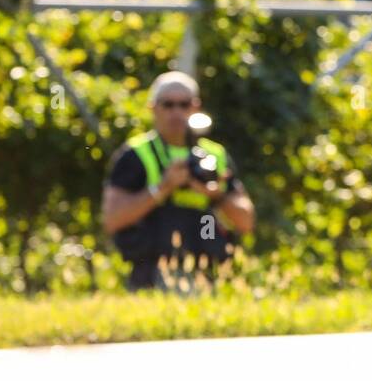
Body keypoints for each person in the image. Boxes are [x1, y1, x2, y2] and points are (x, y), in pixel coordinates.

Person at [101, 71, 256, 290]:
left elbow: (246, 222)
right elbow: (112, 219)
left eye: (184, 105)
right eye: (168, 105)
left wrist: (215, 195)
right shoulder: (135, 155)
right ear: (153, 108)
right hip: (150, 276)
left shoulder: (215, 155)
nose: (177, 112)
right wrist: (163, 188)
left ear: (196, 107)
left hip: (209, 274)